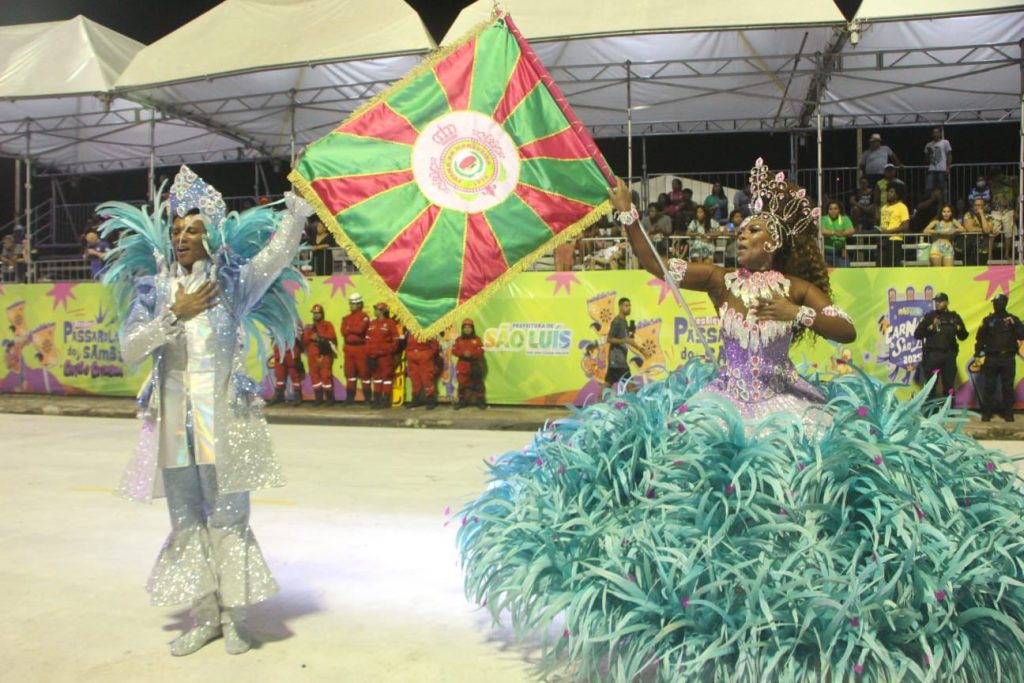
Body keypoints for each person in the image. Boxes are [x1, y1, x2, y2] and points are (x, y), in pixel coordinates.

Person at [456, 159, 1024, 682]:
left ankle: (783, 603)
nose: (740, 236)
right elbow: (656, 264)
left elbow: (845, 329)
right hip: (722, 397)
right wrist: (627, 211)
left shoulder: (797, 286)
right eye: (740, 231)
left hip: (782, 401)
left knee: (790, 489)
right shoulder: (718, 280)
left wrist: (796, 311)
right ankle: (678, 589)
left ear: (773, 243)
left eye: (751, 232)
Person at [100, 165, 311, 656]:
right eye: (177, 229)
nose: (182, 236)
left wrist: (297, 216)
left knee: (229, 516)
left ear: (211, 235)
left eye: (192, 229)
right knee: (185, 518)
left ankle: (236, 618)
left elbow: (277, 256)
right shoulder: (154, 289)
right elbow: (130, 349)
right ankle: (204, 616)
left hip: (222, 416)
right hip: (174, 418)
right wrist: (176, 314)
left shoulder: (232, 285)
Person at [974, 293, 1024, 422]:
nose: (996, 305)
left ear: (1004, 303)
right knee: (989, 386)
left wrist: (1014, 325)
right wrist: (977, 354)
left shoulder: (1013, 319)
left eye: (999, 303)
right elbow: (980, 339)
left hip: (1007, 358)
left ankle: (1008, 413)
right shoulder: (988, 320)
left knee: (1007, 387)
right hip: (992, 358)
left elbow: (1021, 335)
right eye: (995, 303)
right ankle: (987, 413)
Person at [913, 293, 967, 401]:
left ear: (947, 302)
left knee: (949, 386)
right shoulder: (930, 317)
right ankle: (930, 412)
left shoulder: (954, 317)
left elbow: (963, 336)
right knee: (931, 386)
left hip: (949, 356)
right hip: (933, 356)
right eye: (936, 301)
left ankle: (949, 410)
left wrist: (959, 329)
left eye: (940, 301)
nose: (937, 303)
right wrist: (930, 328)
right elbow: (917, 334)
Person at [302, 304, 337, 406]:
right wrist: (310, 337)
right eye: (314, 313)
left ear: (322, 314)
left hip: (324, 354)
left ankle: (330, 399)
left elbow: (332, 335)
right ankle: (318, 398)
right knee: (315, 377)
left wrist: (319, 336)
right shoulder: (309, 327)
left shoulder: (327, 324)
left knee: (326, 376)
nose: (316, 315)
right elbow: (304, 341)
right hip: (312, 355)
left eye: (318, 313)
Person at [366, 301, 399, 408]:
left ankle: (386, 401)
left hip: (386, 357)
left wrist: (388, 350)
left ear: (382, 311)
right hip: (373, 357)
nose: (375, 311)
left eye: (376, 309)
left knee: (387, 379)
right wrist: (369, 354)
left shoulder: (390, 323)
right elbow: (367, 340)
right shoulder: (372, 323)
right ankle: (377, 399)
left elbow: (396, 340)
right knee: (377, 378)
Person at [340, 292, 371, 406]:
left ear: (359, 304)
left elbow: (360, 330)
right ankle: (349, 399)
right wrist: (351, 329)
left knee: (364, 374)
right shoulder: (346, 317)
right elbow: (343, 331)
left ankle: (367, 399)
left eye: (354, 304)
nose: (352, 306)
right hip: (349, 348)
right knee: (350, 374)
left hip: (360, 348)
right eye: (351, 304)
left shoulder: (364, 316)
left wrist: (350, 328)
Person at [605, 297, 644, 388]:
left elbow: (628, 340)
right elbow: (609, 339)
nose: (629, 308)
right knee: (631, 386)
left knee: (607, 385)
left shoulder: (624, 322)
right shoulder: (617, 321)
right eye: (626, 305)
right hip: (618, 360)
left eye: (629, 305)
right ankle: (634, 402)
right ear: (620, 307)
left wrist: (640, 349)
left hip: (616, 360)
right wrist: (624, 340)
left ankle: (598, 401)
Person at [451, 318, 485, 409]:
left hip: (474, 365)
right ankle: (461, 402)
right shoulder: (459, 340)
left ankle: (480, 402)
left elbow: (481, 351)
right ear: (462, 329)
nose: (467, 329)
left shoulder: (477, 339)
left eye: (469, 327)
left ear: (472, 329)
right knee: (461, 384)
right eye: (465, 327)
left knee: (478, 384)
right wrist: (462, 353)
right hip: (462, 365)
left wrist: (472, 354)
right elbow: (454, 350)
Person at [404, 331, 440, 410]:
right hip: (412, 356)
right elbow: (406, 343)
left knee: (426, 378)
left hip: (424, 357)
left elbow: (435, 345)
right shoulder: (410, 331)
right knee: (414, 379)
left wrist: (429, 355)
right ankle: (415, 400)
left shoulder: (428, 330)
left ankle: (430, 400)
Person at [267, 335, 304, 405]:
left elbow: (296, 345)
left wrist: (296, 357)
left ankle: (297, 396)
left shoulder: (290, 331)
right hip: (280, 356)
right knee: (279, 377)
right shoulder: (277, 333)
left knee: (295, 376)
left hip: (290, 355)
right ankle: (278, 396)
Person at [878, 184, 909, 267]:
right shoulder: (884, 207)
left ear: (897, 194)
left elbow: (906, 226)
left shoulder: (902, 207)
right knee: (880, 267)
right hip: (882, 239)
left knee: (892, 267)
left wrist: (888, 232)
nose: (888, 193)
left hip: (895, 240)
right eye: (888, 191)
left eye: (891, 192)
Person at [820, 201, 855, 267]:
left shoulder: (845, 219)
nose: (833, 211)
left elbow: (851, 230)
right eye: (831, 209)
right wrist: (834, 232)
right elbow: (822, 231)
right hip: (826, 253)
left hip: (840, 252)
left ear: (839, 210)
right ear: (827, 210)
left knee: (844, 272)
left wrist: (842, 234)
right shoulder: (824, 219)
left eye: (835, 209)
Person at [962, 197, 992, 266]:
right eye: (975, 205)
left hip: (983, 249)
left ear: (984, 206)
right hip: (969, 248)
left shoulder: (988, 217)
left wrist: (981, 214)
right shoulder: (968, 215)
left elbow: (987, 230)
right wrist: (983, 229)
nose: (977, 207)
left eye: (979, 205)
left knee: (981, 272)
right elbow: (970, 229)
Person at [924, 127, 952, 193]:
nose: (935, 134)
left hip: (942, 169)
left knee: (941, 188)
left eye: (937, 132)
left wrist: (948, 167)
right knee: (929, 188)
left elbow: (949, 155)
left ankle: (942, 202)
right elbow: (926, 160)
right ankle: (931, 201)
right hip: (932, 169)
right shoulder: (928, 144)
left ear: (940, 134)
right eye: (934, 133)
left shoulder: (945, 142)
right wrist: (929, 153)